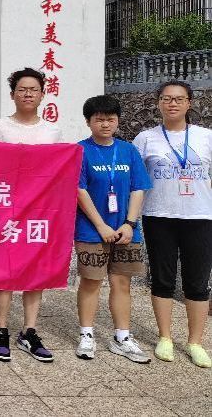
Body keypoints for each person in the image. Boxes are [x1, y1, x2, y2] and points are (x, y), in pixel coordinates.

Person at [0, 67, 62, 363]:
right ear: (12, 94)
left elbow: (58, 172)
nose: (28, 94)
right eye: (22, 89)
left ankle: (29, 331)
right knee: (4, 271)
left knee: (35, 272)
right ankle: (1, 330)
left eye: (33, 90)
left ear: (43, 94)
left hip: (40, 211)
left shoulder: (52, 131)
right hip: (6, 208)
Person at [133, 80, 212, 368]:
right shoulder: (145, 138)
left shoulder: (206, 136)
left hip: (200, 217)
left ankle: (195, 342)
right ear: (158, 103)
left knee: (198, 281)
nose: (172, 103)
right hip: (159, 216)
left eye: (179, 98)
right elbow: (135, 178)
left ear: (189, 103)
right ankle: (165, 337)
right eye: (166, 98)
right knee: (162, 279)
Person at [74, 95, 151, 363]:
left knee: (122, 282)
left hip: (126, 230)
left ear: (117, 121)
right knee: (91, 281)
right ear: (88, 122)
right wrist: (101, 225)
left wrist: (130, 224)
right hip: (90, 229)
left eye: (110, 119)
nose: (105, 124)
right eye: (99, 119)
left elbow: (138, 187)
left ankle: (122, 337)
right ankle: (86, 334)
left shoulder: (128, 150)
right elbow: (79, 190)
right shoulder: (80, 151)